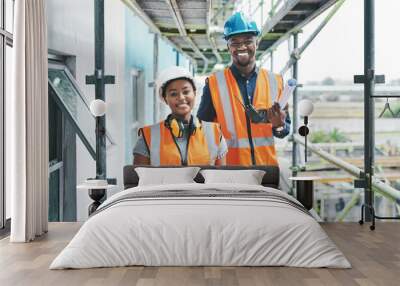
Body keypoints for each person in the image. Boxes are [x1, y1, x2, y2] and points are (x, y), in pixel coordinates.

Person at [197, 12, 291, 166]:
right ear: (228, 46)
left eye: (248, 41)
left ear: (257, 42)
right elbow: (202, 133)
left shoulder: (276, 82)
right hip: (230, 174)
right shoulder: (214, 84)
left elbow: (284, 131)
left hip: (266, 171)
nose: (242, 47)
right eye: (235, 42)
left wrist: (278, 125)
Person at [133, 66, 227, 166]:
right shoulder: (148, 136)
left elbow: (221, 178)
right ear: (165, 99)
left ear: (195, 93)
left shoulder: (215, 133)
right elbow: (138, 179)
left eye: (186, 92)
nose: (181, 97)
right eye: (173, 94)